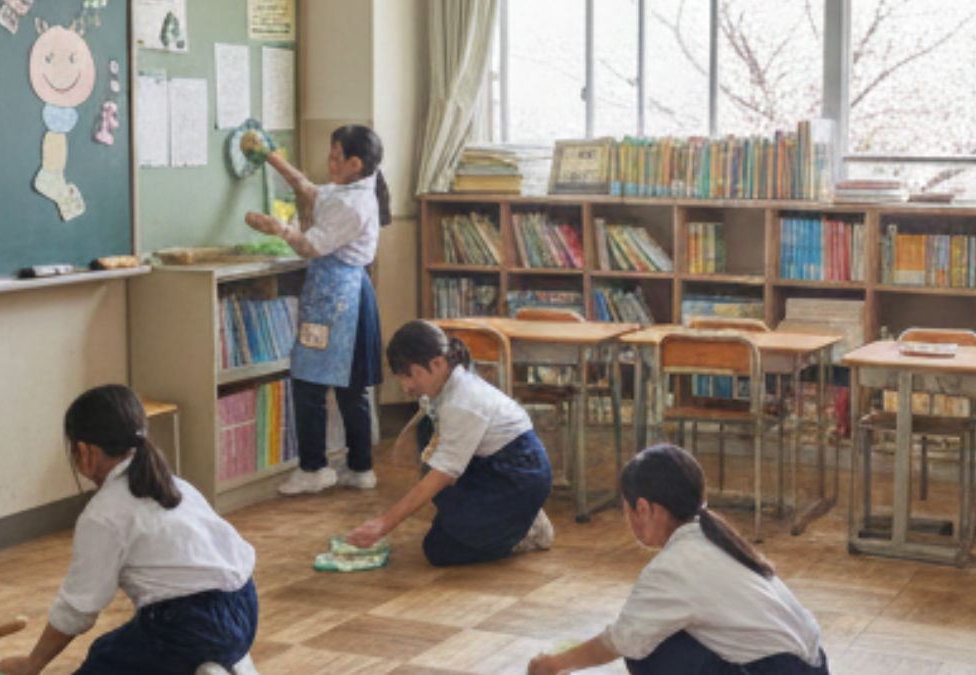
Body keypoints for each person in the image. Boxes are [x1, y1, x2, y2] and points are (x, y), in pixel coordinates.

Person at [0, 384, 257, 675]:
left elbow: (79, 607)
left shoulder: (103, 514)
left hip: (190, 627)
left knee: (105, 664)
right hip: (244, 608)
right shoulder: (175, 485)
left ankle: (201, 662)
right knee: (110, 649)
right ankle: (211, 665)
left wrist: (33, 663)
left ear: (85, 452)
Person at [527, 444, 828, 675]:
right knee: (659, 634)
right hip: (811, 665)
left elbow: (623, 639)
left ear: (644, 509)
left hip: (780, 670)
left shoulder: (675, 566)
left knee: (647, 653)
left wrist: (555, 664)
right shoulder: (711, 537)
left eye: (627, 510)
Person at [244, 125, 390, 495]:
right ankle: (360, 467)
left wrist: (277, 228)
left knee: (310, 381)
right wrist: (271, 157)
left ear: (355, 163)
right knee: (349, 388)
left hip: (336, 300)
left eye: (335, 156)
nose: (329, 161)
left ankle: (314, 468)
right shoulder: (353, 188)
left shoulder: (350, 202)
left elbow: (310, 247)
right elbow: (310, 190)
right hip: (348, 294)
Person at [347, 319, 554, 566]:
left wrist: (384, 523)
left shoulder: (462, 401)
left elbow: (442, 474)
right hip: (492, 466)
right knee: (449, 524)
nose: (406, 388)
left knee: (440, 550)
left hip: (517, 475)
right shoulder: (444, 386)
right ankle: (509, 520)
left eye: (411, 376)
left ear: (437, 363)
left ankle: (526, 530)